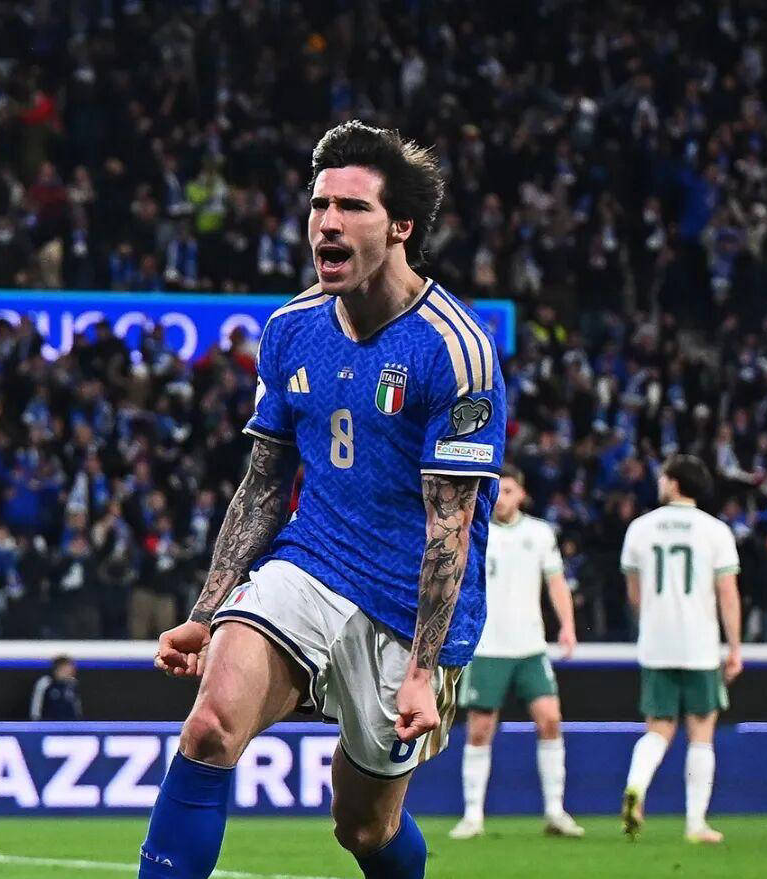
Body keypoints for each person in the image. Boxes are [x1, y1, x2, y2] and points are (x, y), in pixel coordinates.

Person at [142, 120, 505, 879]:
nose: (327, 223)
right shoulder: (291, 329)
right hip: (308, 564)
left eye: (352, 207)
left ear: (400, 227)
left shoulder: (454, 347)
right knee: (208, 728)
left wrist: (421, 670)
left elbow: (451, 524)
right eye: (319, 205)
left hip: (404, 605)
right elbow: (264, 483)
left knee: (364, 829)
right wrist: (205, 613)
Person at [450, 464, 584, 840]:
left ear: (521, 494)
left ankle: (555, 811)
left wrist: (568, 626)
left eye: (508, 491)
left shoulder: (539, 533)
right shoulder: (474, 530)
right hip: (487, 646)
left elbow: (556, 583)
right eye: (497, 491)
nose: (501, 499)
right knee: (480, 728)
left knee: (550, 720)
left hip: (530, 647)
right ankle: (473, 815)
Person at [619, 454, 743, 844]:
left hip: (657, 643)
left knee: (658, 728)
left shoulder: (640, 528)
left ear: (674, 483)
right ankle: (695, 823)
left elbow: (634, 595)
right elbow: (727, 594)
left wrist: (654, 621)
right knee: (701, 731)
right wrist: (735, 647)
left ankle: (636, 787)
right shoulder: (715, 531)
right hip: (699, 644)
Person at [29, 655, 83, 721]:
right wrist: (36, 721)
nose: (69, 672)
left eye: (71, 670)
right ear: (58, 669)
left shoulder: (72, 684)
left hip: (69, 724)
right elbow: (36, 706)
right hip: (49, 723)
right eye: (66, 670)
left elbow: (77, 707)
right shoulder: (45, 682)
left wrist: (78, 721)